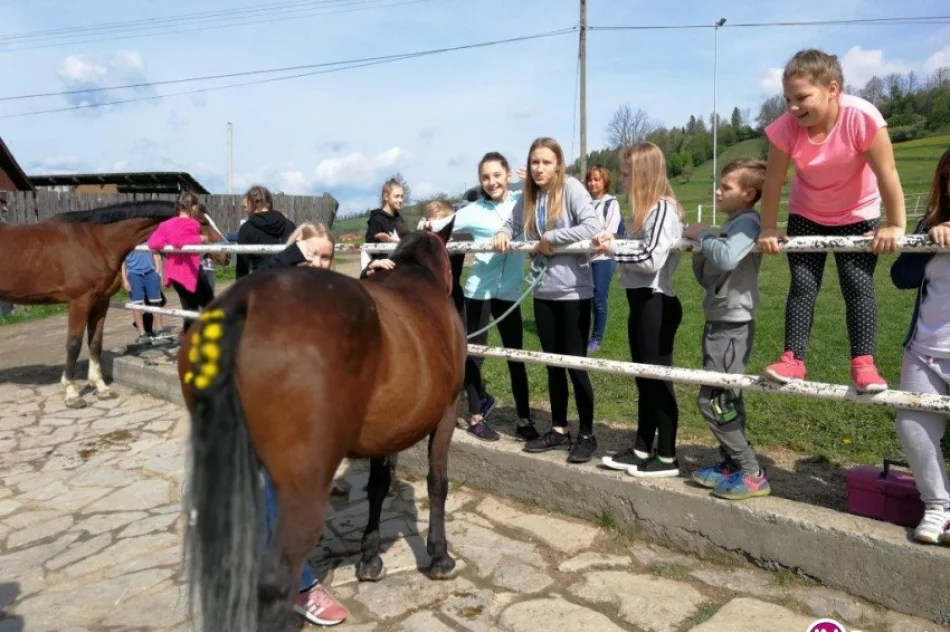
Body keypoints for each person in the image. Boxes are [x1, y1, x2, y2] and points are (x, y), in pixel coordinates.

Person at [757, 48, 906, 393]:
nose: (793, 108)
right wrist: (768, 227)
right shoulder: (786, 128)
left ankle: (863, 363)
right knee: (803, 285)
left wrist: (896, 225)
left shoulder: (861, 117)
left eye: (802, 98)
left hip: (856, 213)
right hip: (806, 212)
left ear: (832, 89)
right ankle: (792, 359)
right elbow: (773, 181)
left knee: (857, 284)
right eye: (788, 99)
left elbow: (887, 172)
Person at [493, 137, 605, 464]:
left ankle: (587, 434)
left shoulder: (571, 189)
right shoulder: (529, 196)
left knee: (575, 365)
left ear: (558, 165)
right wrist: (503, 233)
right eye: (535, 162)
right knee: (553, 365)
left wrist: (551, 238)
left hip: (573, 292)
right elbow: (512, 223)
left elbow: (593, 225)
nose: (539, 168)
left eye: (546, 162)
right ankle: (558, 429)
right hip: (543, 293)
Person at [426, 153, 539, 443]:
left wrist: (535, 184)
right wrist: (419, 229)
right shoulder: (474, 210)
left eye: (497, 175)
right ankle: (476, 417)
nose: (492, 182)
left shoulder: (522, 202)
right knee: (474, 357)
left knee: (516, 356)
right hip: (479, 292)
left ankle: (524, 420)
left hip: (510, 292)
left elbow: (552, 200)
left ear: (508, 176)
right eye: (486, 177)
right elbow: (438, 226)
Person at [594, 142, 685, 478]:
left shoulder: (662, 209)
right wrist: (616, 242)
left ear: (644, 174)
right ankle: (642, 448)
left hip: (656, 303)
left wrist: (612, 249)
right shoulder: (646, 211)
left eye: (627, 173)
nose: (623, 179)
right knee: (644, 380)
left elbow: (650, 258)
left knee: (657, 381)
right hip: (641, 303)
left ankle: (667, 456)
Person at [685, 158, 771, 499]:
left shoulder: (748, 222)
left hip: (732, 325)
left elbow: (726, 258)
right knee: (727, 398)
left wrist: (703, 235)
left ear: (748, 193)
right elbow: (710, 276)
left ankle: (751, 472)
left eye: (726, 187)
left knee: (714, 401)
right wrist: (699, 251)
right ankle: (731, 463)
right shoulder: (733, 224)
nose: (718, 192)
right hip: (719, 321)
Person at [890, 148, 950, 544]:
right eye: (948, 177)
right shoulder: (930, 223)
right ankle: (938, 506)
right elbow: (902, 278)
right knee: (911, 426)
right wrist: (928, 239)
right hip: (925, 347)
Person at [146, 191, 214, 334]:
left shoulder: (166, 224)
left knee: (188, 308)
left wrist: (167, 243)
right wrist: (200, 238)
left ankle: (189, 338)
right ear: (193, 207)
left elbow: (153, 243)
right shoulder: (193, 223)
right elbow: (179, 241)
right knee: (210, 305)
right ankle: (212, 335)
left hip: (174, 274)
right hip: (190, 272)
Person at [585, 164, 623, 354]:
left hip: (604, 257)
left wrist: (598, 242)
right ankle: (583, 333)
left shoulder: (611, 203)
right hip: (585, 257)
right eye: (590, 179)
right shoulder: (585, 203)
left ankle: (596, 338)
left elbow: (611, 231)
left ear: (605, 181)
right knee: (586, 298)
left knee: (599, 297)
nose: (592, 183)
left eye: (596, 179)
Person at [236, 185, 296, 280]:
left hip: (261, 283)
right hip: (289, 281)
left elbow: (242, 269)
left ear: (251, 203)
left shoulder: (246, 229)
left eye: (245, 206)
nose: (245, 210)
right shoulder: (290, 225)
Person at [122, 243, 165, 343]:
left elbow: (155, 253)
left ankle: (160, 330)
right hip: (134, 274)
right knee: (136, 305)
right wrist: (124, 280)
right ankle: (142, 333)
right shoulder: (128, 241)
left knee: (155, 302)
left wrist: (157, 271)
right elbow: (123, 262)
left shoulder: (148, 240)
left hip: (150, 272)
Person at [362, 178, 407, 269]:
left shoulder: (399, 220)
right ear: (386, 196)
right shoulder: (377, 219)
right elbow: (370, 246)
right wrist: (378, 239)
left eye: (402, 197)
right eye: (397, 196)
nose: (400, 200)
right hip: (383, 266)